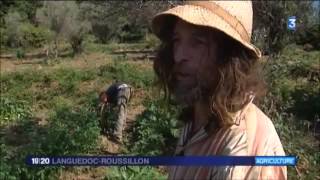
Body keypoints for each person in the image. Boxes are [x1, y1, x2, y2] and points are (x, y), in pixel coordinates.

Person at [151, 1, 287, 179]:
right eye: (177, 40)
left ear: (230, 56)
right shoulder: (199, 115)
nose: (179, 56)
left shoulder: (241, 153)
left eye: (198, 42)